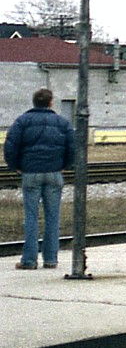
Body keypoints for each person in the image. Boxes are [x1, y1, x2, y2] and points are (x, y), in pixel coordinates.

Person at [3, 88, 76, 270]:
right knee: (53, 217)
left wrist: (16, 166)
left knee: (31, 217)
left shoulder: (22, 121)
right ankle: (51, 259)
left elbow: (10, 146)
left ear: (34, 102)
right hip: (54, 174)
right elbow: (73, 147)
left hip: (31, 173)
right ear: (51, 102)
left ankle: (29, 260)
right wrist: (63, 166)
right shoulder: (62, 122)